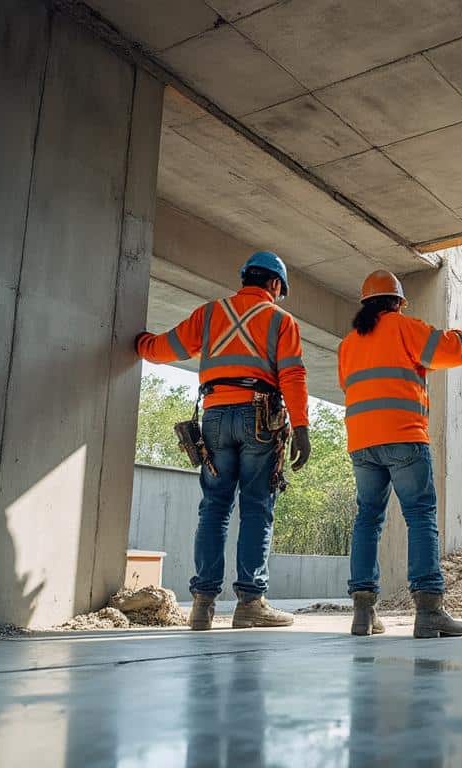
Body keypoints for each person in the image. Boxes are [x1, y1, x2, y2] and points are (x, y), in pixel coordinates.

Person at [134, 251, 311, 631]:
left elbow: (165, 349)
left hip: (214, 416)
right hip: (259, 417)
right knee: (256, 508)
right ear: (275, 285)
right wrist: (301, 427)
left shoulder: (211, 314)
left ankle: (202, 604)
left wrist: (140, 343)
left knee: (213, 508)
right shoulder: (280, 319)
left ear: (246, 277)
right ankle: (250, 602)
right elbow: (293, 375)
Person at [338, 270, 462, 639]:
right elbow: (455, 352)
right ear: (398, 302)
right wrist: (461, 334)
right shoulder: (405, 327)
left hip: (362, 442)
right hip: (403, 437)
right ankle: (429, 610)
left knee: (367, 519)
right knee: (420, 515)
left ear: (365, 304)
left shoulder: (349, 344)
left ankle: (363, 613)